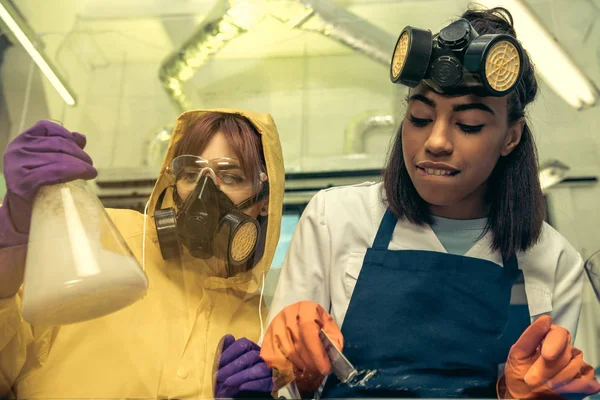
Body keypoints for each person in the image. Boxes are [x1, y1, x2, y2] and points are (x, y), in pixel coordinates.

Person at [259, 6, 600, 400]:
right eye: (420, 117)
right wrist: (293, 372)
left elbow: (549, 381)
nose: (436, 141)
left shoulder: (554, 260)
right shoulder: (334, 219)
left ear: (511, 137)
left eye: (469, 124)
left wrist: (526, 396)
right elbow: (280, 385)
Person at [0, 109, 284, 399]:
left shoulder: (258, 323)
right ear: (172, 182)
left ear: (265, 200)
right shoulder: (104, 239)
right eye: (190, 174)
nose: (204, 192)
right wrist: (9, 246)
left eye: (231, 177)